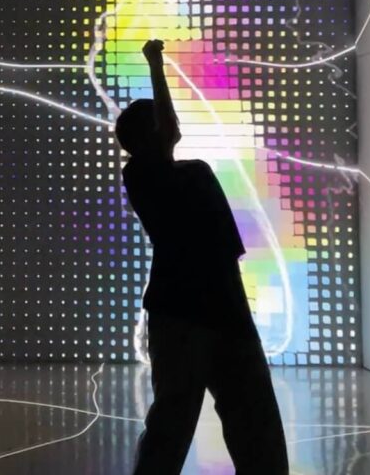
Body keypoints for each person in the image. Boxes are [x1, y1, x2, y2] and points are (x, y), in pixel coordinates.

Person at [119, 40, 288, 474]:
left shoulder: (189, 171)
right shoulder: (141, 175)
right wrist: (155, 66)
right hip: (185, 314)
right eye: (159, 119)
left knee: (253, 422)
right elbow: (168, 127)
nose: (171, 123)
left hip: (219, 306)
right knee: (175, 425)